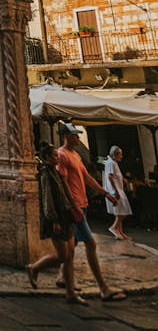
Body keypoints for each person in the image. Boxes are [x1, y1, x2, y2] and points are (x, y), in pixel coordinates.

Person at [56, 124, 125, 301]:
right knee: (91, 244)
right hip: (75, 206)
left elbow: (87, 178)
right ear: (66, 136)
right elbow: (63, 183)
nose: (78, 138)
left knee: (73, 245)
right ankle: (103, 287)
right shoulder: (61, 155)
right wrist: (73, 205)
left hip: (82, 204)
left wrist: (105, 193)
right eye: (75, 135)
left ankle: (61, 277)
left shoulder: (76, 155)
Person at [25, 142, 83, 304]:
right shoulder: (45, 174)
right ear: (46, 158)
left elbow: (65, 192)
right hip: (57, 220)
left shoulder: (55, 172)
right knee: (63, 256)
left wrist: (74, 207)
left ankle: (70, 292)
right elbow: (47, 200)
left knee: (69, 255)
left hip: (66, 217)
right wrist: (54, 220)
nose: (57, 158)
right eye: (54, 155)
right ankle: (34, 267)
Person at [103, 146, 132, 240]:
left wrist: (122, 179)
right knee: (124, 210)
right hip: (116, 190)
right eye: (120, 154)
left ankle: (120, 232)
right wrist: (115, 190)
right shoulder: (112, 163)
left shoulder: (112, 163)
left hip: (118, 189)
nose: (121, 156)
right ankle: (114, 227)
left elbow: (114, 175)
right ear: (115, 155)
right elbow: (110, 177)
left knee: (120, 211)